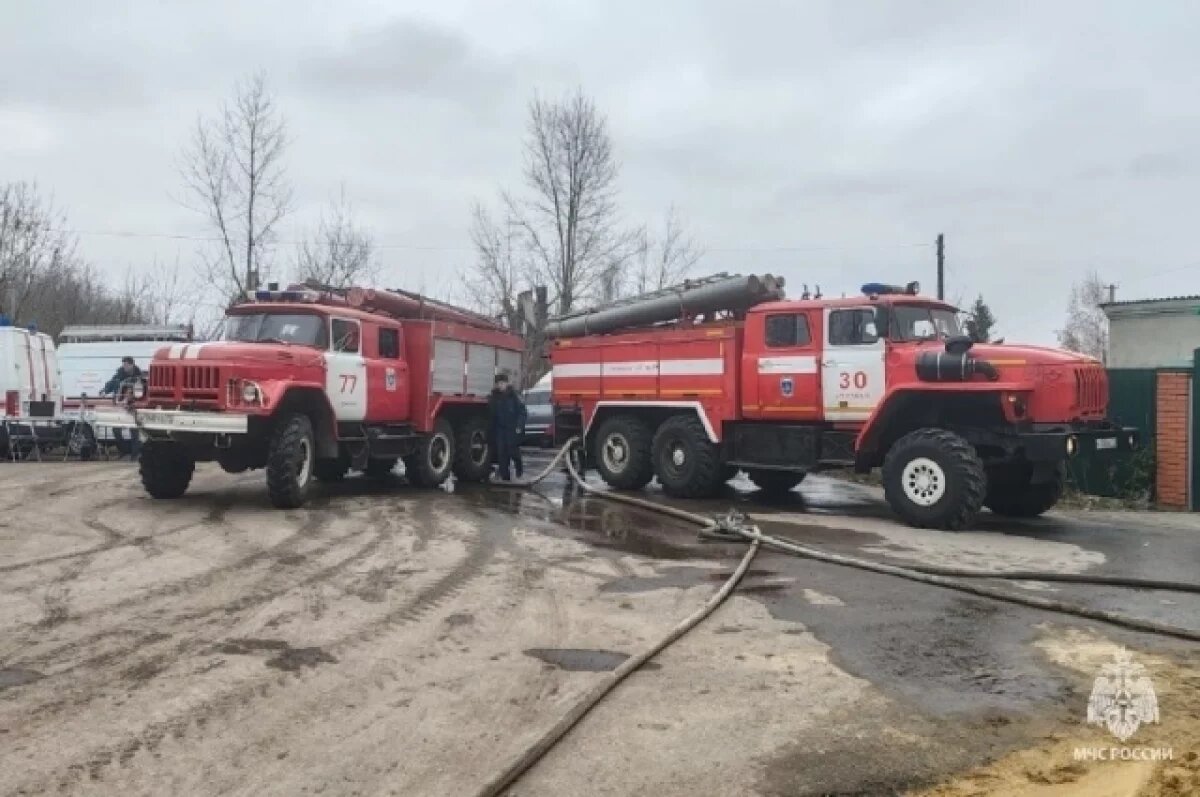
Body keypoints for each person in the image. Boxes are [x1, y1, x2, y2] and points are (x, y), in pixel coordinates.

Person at [488, 373, 526, 481]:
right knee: (502, 454)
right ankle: (505, 477)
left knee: (513, 451)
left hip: (512, 429)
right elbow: (492, 415)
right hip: (500, 429)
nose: (500, 385)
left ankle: (519, 470)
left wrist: (519, 426)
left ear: (506, 383)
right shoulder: (495, 397)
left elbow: (522, 412)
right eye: (498, 383)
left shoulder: (513, 396)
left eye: (502, 383)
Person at [102, 356, 142, 459]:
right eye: (123, 364)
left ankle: (134, 454)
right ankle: (123, 450)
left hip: (133, 406)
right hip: (119, 406)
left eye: (126, 364)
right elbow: (110, 385)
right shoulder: (119, 375)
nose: (124, 366)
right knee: (116, 430)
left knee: (134, 431)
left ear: (131, 364)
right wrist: (105, 390)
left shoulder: (139, 376)